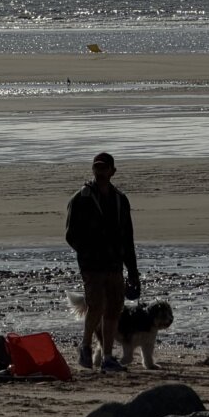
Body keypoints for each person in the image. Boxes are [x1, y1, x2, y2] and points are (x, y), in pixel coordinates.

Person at [65, 151, 140, 372]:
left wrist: (133, 271)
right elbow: (71, 235)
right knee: (96, 306)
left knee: (114, 310)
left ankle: (107, 357)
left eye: (104, 167)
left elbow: (128, 238)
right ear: (93, 170)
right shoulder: (81, 198)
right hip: (92, 265)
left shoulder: (120, 199)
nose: (100, 171)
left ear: (112, 171)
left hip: (115, 264)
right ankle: (86, 346)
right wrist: (87, 254)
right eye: (97, 167)